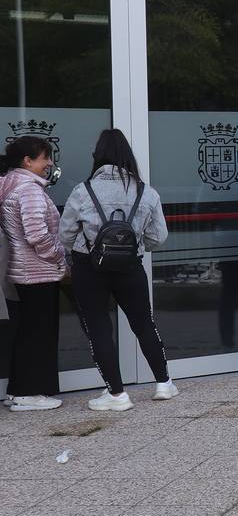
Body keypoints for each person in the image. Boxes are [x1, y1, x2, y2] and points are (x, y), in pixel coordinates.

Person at [59, 129, 177, 412]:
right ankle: (163, 383)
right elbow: (158, 237)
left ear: (97, 156)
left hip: (89, 266)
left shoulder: (83, 190)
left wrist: (86, 245)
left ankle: (116, 394)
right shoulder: (145, 191)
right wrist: (134, 246)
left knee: (98, 327)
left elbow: (64, 234)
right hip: (130, 267)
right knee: (144, 323)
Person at [0, 137, 66, 411]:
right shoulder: (28, 190)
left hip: (20, 273)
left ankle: (18, 391)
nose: (49, 163)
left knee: (26, 332)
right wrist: (59, 256)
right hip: (37, 273)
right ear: (28, 161)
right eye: (44, 157)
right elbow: (37, 233)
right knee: (38, 334)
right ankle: (30, 393)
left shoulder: (8, 184)